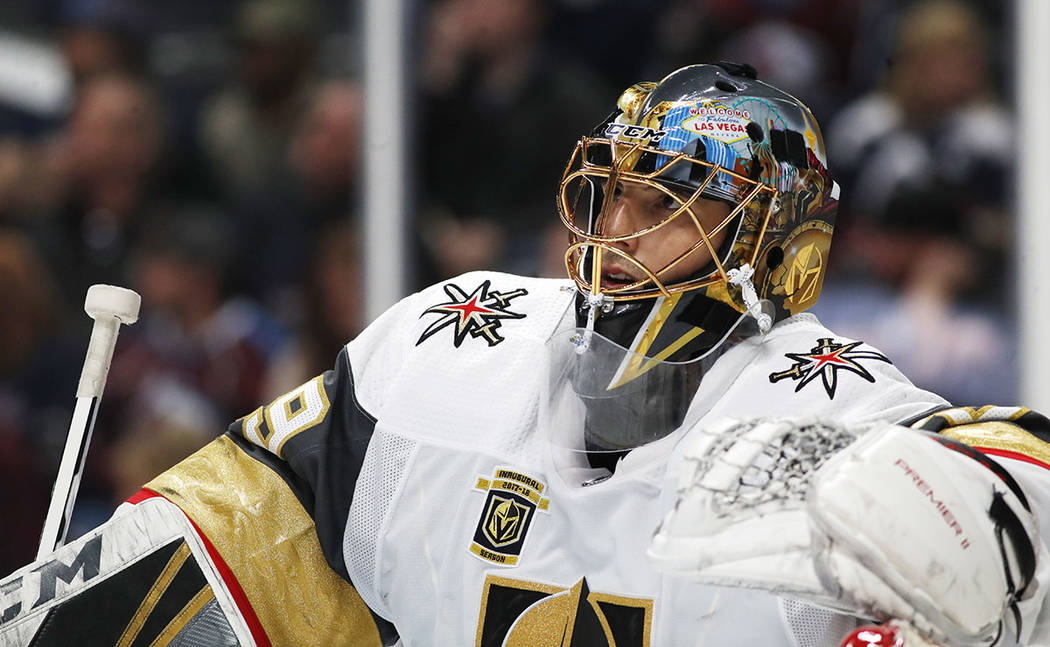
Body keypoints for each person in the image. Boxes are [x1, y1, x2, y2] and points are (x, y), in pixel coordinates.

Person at [3, 62, 1050, 646]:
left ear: (785, 254)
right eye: (612, 192)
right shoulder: (454, 342)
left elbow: (1010, 481)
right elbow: (229, 538)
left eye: (670, 204)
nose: (617, 232)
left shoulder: (840, 419)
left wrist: (1007, 530)